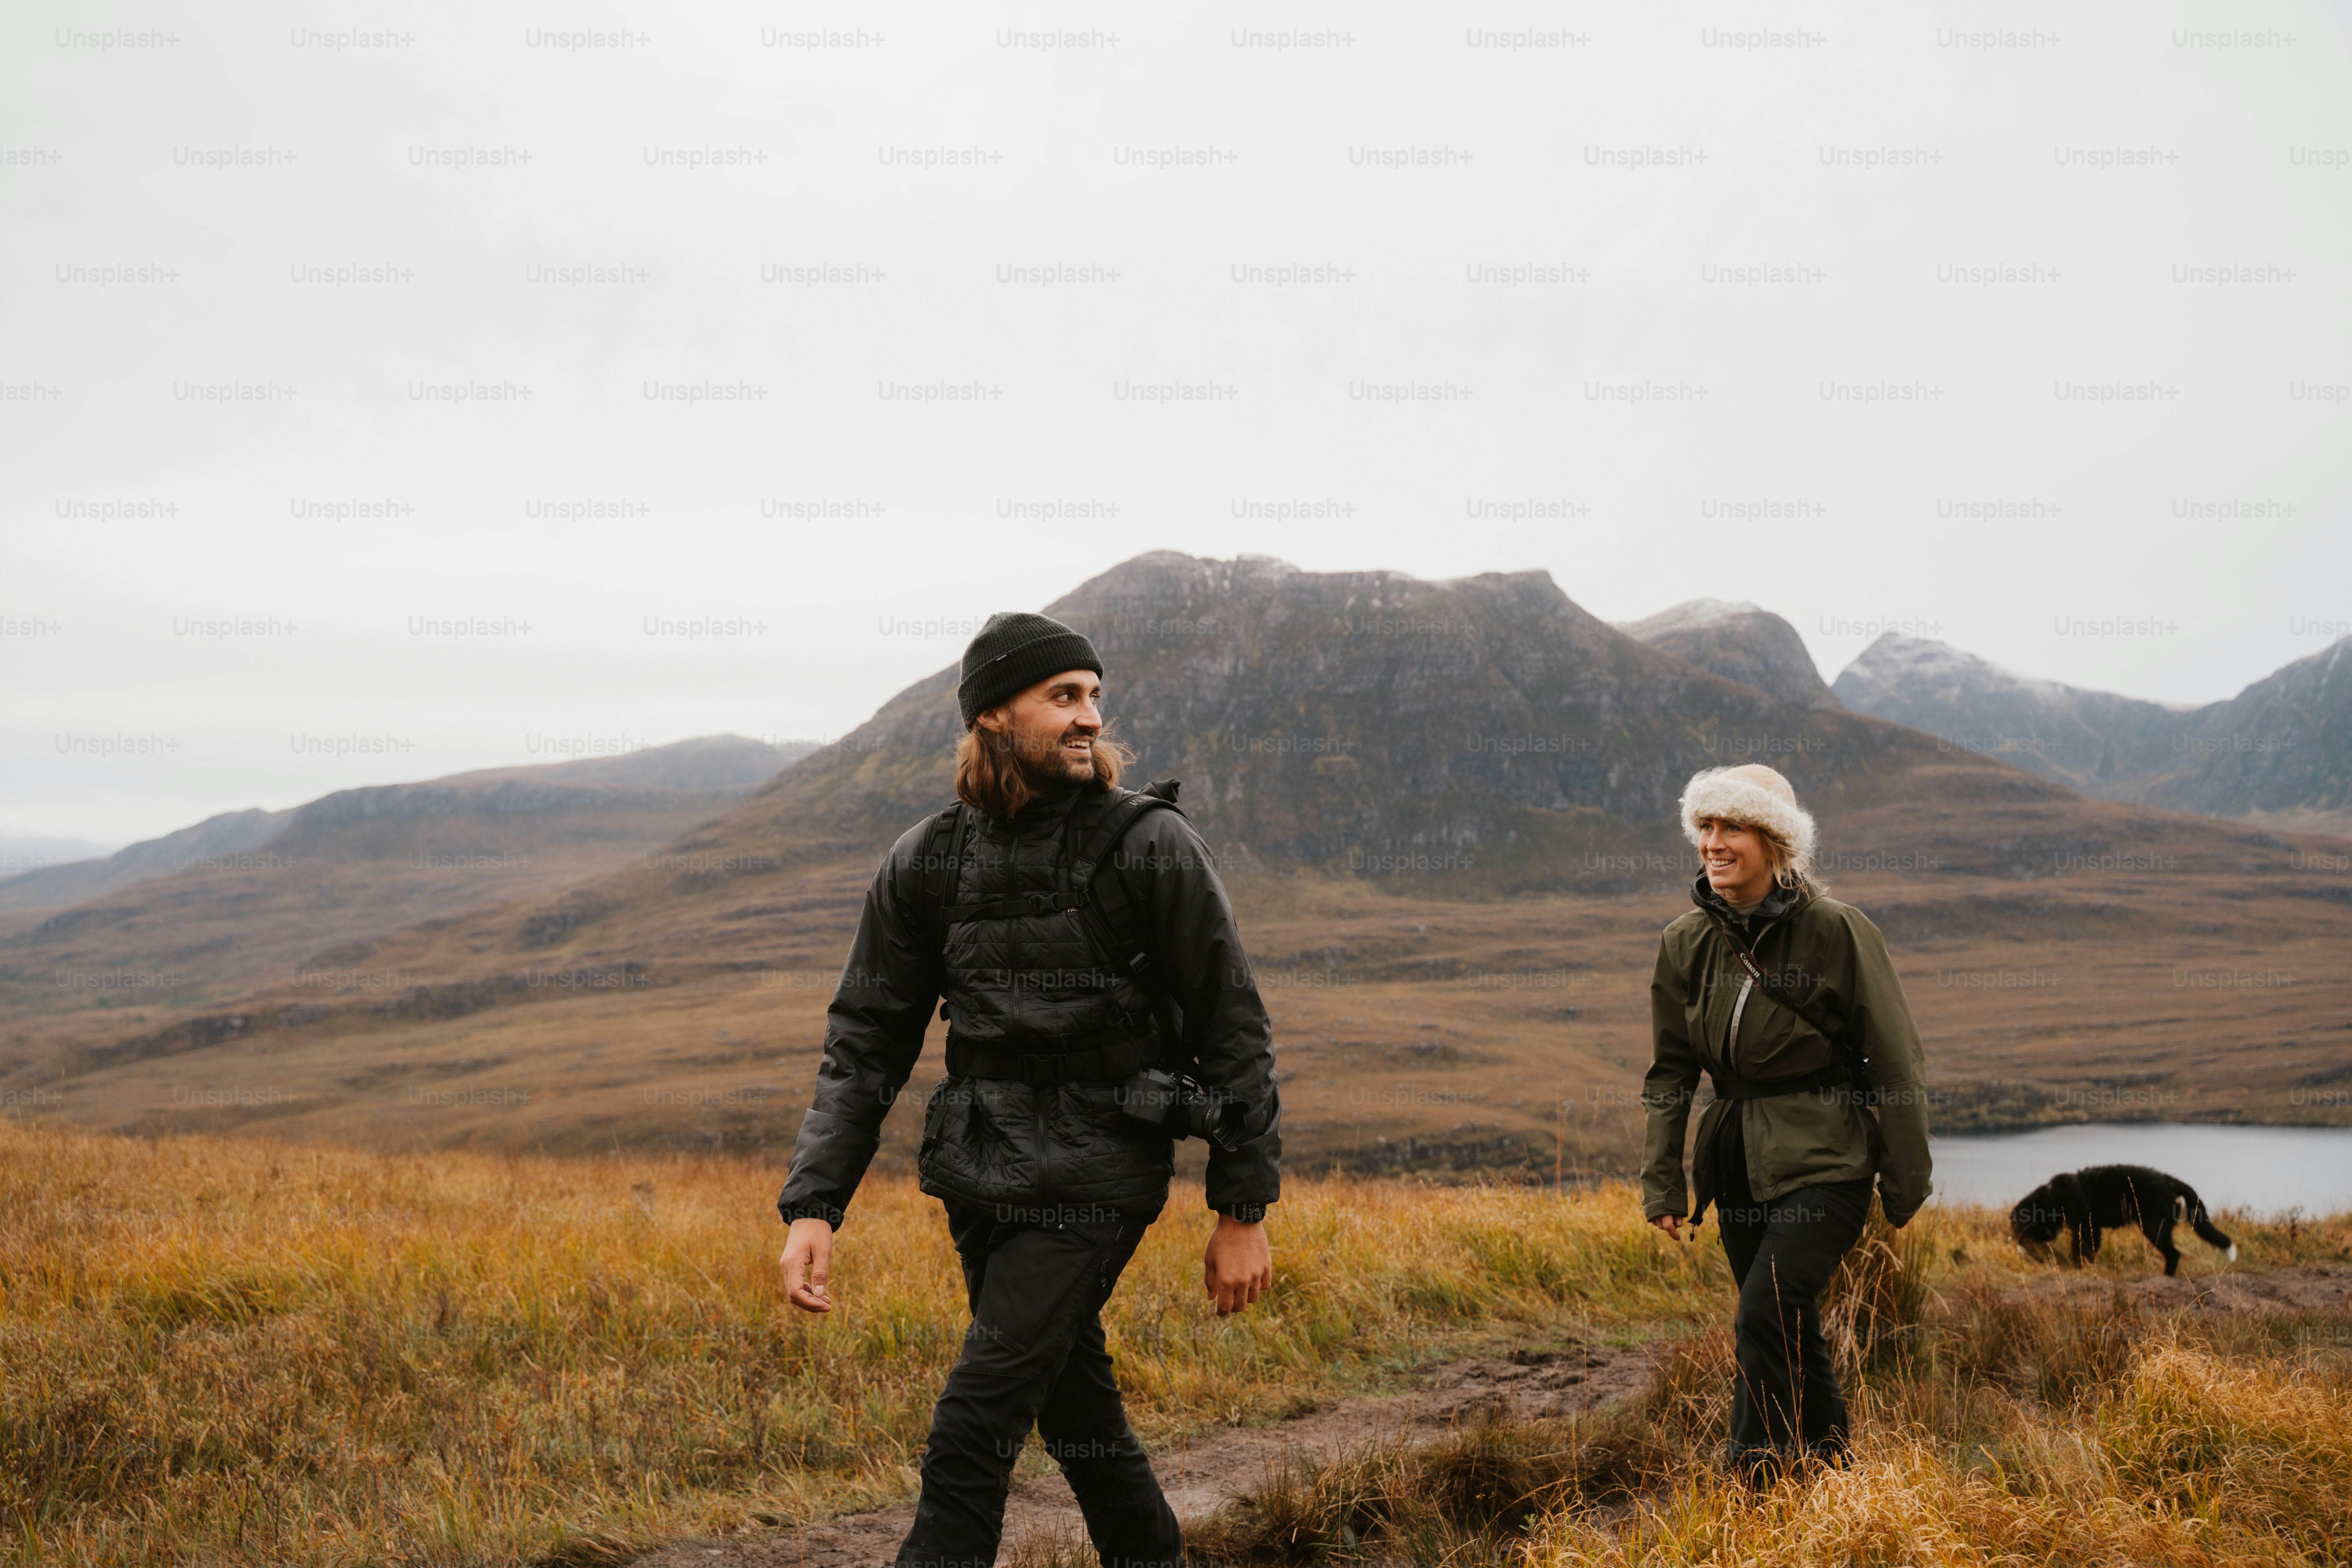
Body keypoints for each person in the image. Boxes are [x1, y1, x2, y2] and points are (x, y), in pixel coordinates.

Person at [775, 610, 1282, 1568]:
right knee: (1080, 1417)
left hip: (1100, 1174)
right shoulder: (927, 857)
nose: (1090, 716)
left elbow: (1234, 1026)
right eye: (1064, 696)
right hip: (979, 1175)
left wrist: (1242, 1205)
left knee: (974, 1421)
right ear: (994, 717)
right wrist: (815, 1204)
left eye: (1095, 695)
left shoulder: (1151, 843)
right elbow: (867, 1042)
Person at [1640, 763, 1932, 1479]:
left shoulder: (1837, 931)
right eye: (1705, 827)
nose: (1714, 842)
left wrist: (1905, 1181)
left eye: (1732, 827)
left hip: (1827, 1159)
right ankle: (1835, 1472)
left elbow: (1895, 1062)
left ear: (1775, 843)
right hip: (1736, 1157)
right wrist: (1663, 1185)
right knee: (1787, 1324)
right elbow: (1672, 1073)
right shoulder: (1685, 941)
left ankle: (1756, 1481)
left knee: (1764, 1312)